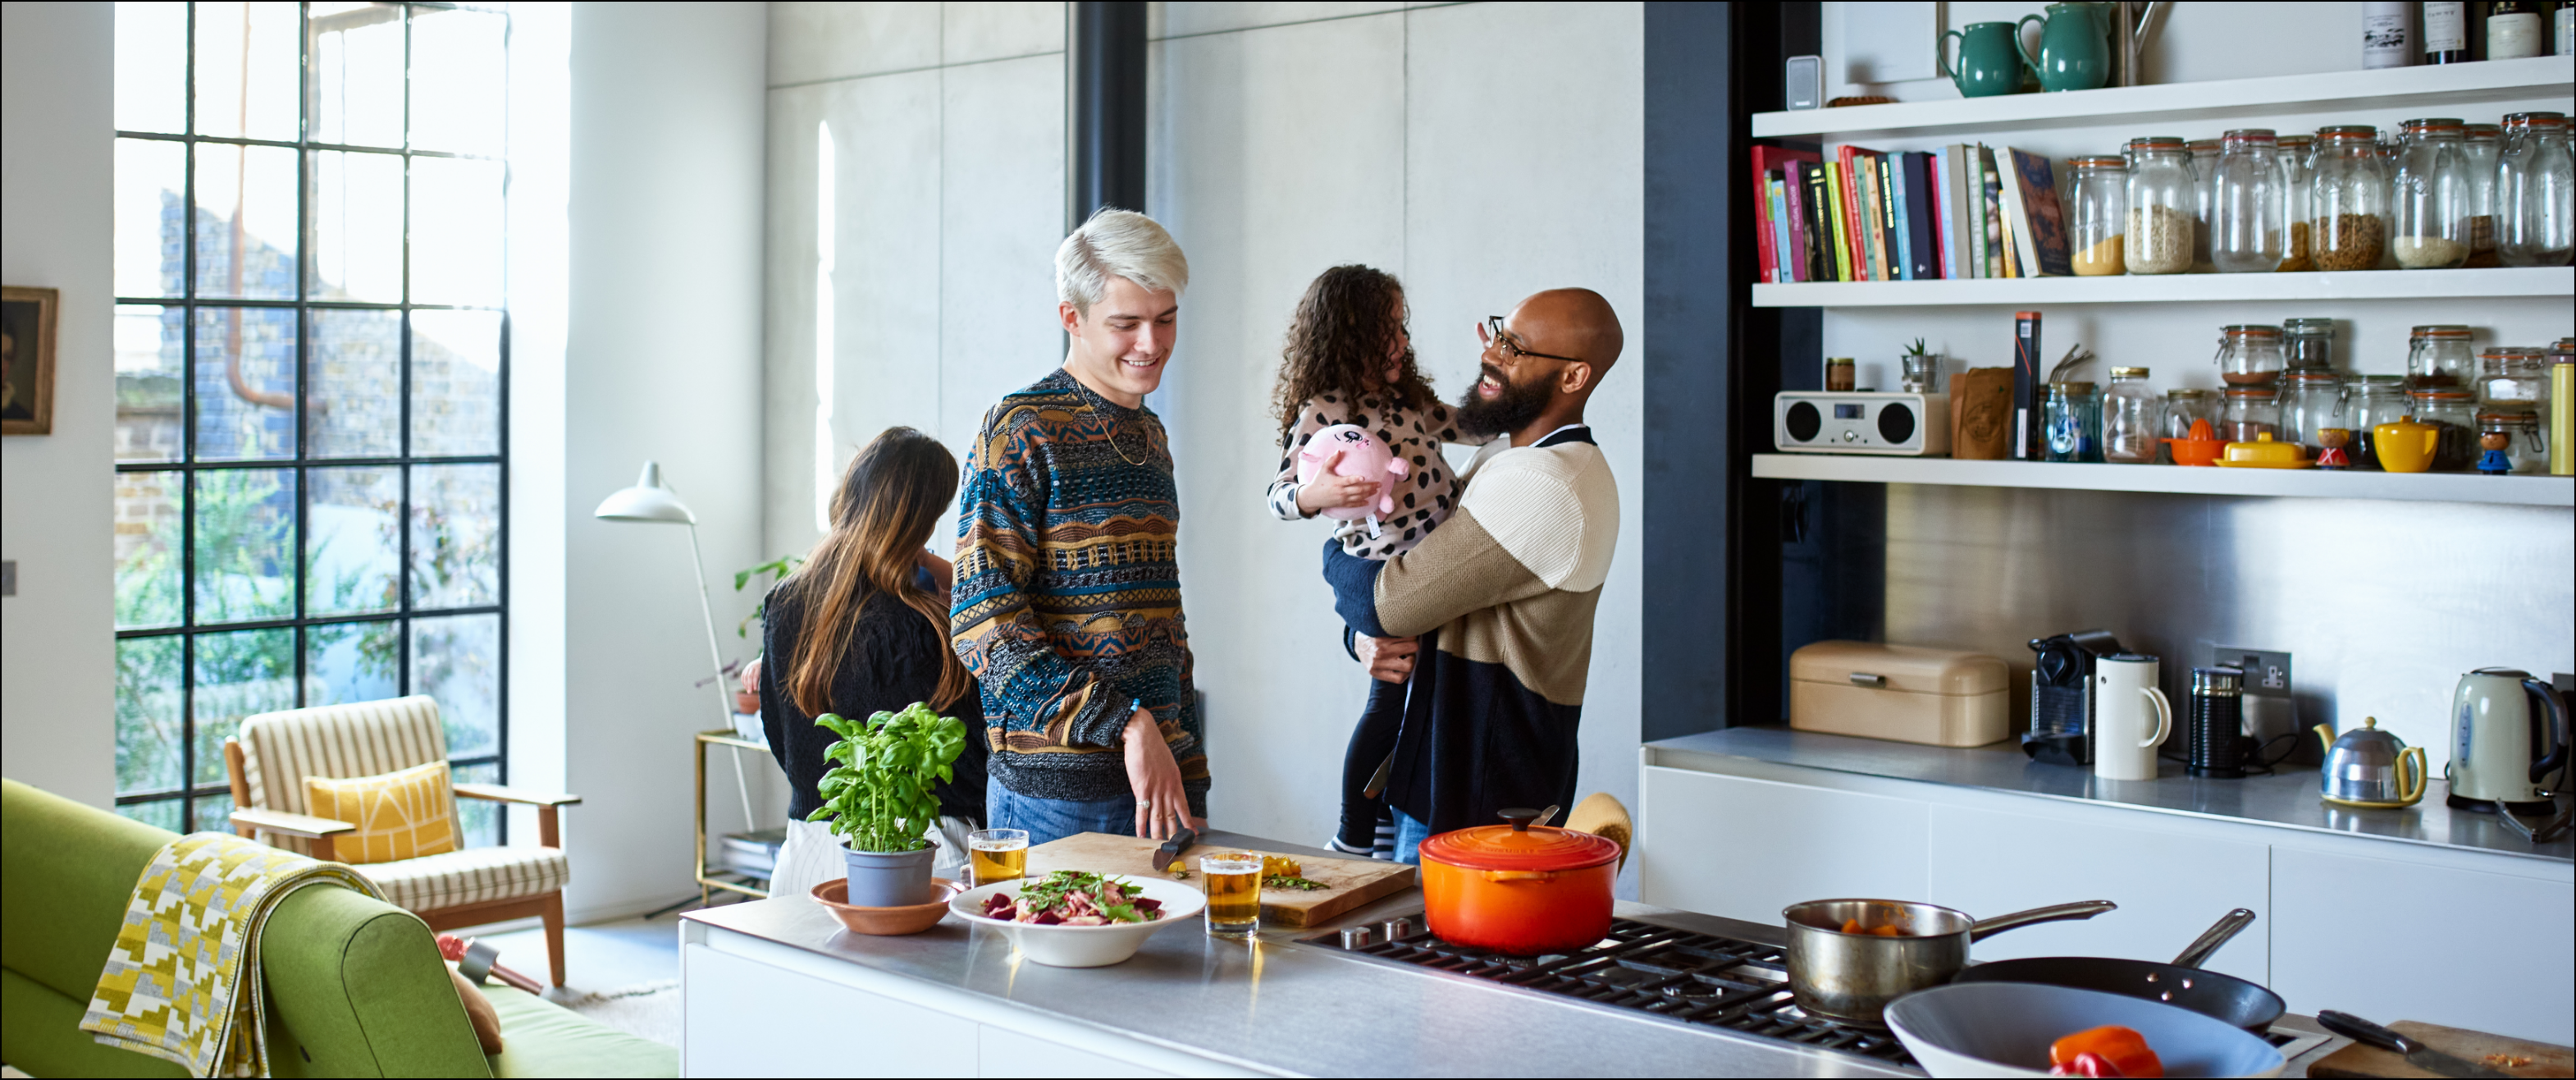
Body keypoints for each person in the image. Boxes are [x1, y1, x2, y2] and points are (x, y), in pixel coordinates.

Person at [1322, 288, 1624, 863]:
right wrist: (1361, 639)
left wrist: (1331, 557)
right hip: (1439, 772)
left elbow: (1393, 599)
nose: (1493, 354)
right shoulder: (1504, 458)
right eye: (1499, 334)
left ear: (1574, 377)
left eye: (1517, 348)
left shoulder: (1545, 483)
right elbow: (1410, 599)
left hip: (1479, 801)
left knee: (1437, 955)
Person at [951, 208, 1208, 848]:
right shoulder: (1020, 429)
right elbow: (983, 624)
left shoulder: (1151, 436)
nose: (1151, 343)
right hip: (1055, 800)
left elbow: (1162, 622)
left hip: (1156, 784)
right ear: (1072, 317)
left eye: (1166, 318)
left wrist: (1190, 769)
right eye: (1126, 324)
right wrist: (1124, 723)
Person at [1263, 265, 1490, 858]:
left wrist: (1496, 377)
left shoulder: (1405, 401)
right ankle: (1353, 835)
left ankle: (1384, 813)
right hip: (1388, 571)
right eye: (1388, 329)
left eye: (1402, 328)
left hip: (1435, 561)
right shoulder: (1324, 411)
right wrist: (1316, 497)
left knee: (1409, 702)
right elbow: (1280, 495)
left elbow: (1471, 426)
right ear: (1349, 334)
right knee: (1390, 697)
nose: (1402, 342)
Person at [758, 426, 991, 900]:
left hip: (806, 854)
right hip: (921, 855)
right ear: (921, 522)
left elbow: (778, 734)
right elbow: (973, 760)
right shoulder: (930, 623)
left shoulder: (785, 602)